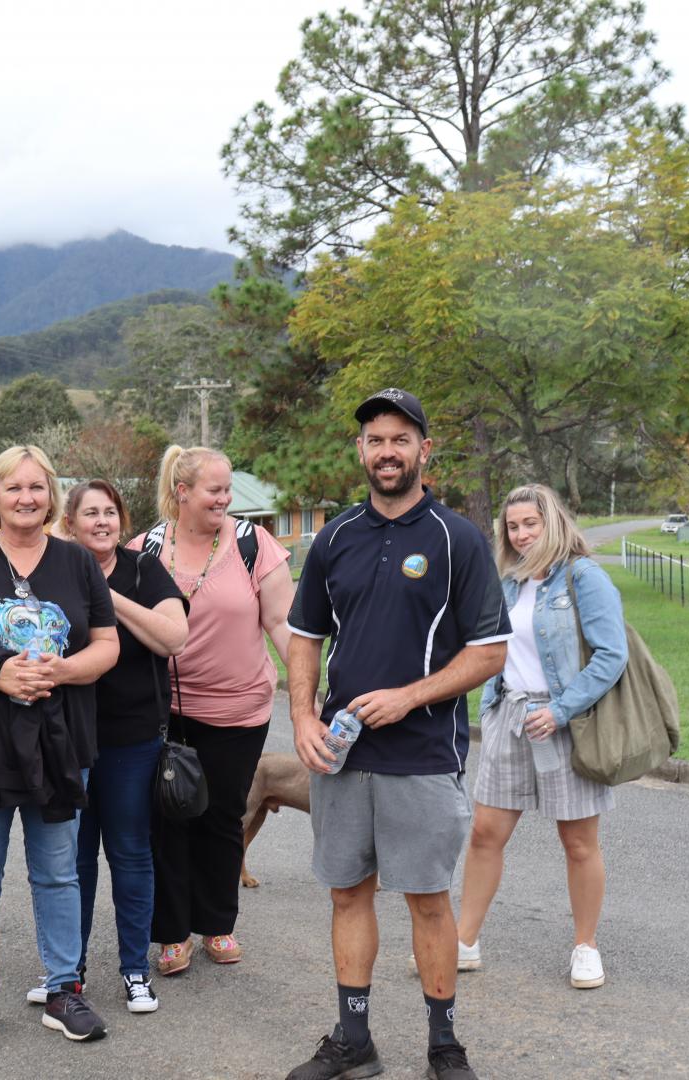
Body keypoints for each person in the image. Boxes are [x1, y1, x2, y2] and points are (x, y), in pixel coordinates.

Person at [286, 388, 510, 1080]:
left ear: (424, 450)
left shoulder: (457, 539)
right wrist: (301, 716)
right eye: (375, 440)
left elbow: (490, 651)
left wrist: (410, 697)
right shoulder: (335, 537)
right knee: (348, 892)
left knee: (426, 898)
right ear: (361, 450)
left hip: (421, 754)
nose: (387, 451)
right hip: (343, 751)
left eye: (400, 439)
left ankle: (444, 1044)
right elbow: (303, 635)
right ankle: (354, 1040)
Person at [0, 445, 120, 1050]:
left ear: (51, 496)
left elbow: (107, 646)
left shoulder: (78, 563)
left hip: (58, 744)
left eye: (37, 487)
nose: (26, 498)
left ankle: (64, 990)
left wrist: (58, 673)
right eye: (14, 488)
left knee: (59, 874)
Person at [21, 479, 188, 1014]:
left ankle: (136, 971)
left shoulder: (144, 570)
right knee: (70, 861)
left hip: (131, 739)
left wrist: (104, 595)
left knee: (131, 853)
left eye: (110, 513)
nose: (101, 521)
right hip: (65, 735)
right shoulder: (50, 571)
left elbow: (173, 637)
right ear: (67, 523)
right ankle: (68, 973)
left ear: (122, 520)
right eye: (89, 513)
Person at [129, 445, 294, 976]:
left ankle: (217, 924)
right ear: (182, 492)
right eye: (215, 490)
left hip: (240, 707)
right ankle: (172, 934)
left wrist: (309, 684)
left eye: (227, 489)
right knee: (171, 817)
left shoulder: (252, 543)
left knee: (224, 815)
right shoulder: (146, 548)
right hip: (165, 709)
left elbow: (283, 623)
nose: (225, 498)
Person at [456, 483, 627, 990]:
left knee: (578, 841)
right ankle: (464, 940)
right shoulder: (507, 582)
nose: (522, 533)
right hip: (508, 714)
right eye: (513, 526)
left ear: (552, 522)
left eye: (531, 523)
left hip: (564, 721)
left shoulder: (584, 577)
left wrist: (560, 709)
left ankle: (586, 946)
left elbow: (611, 656)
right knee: (486, 833)